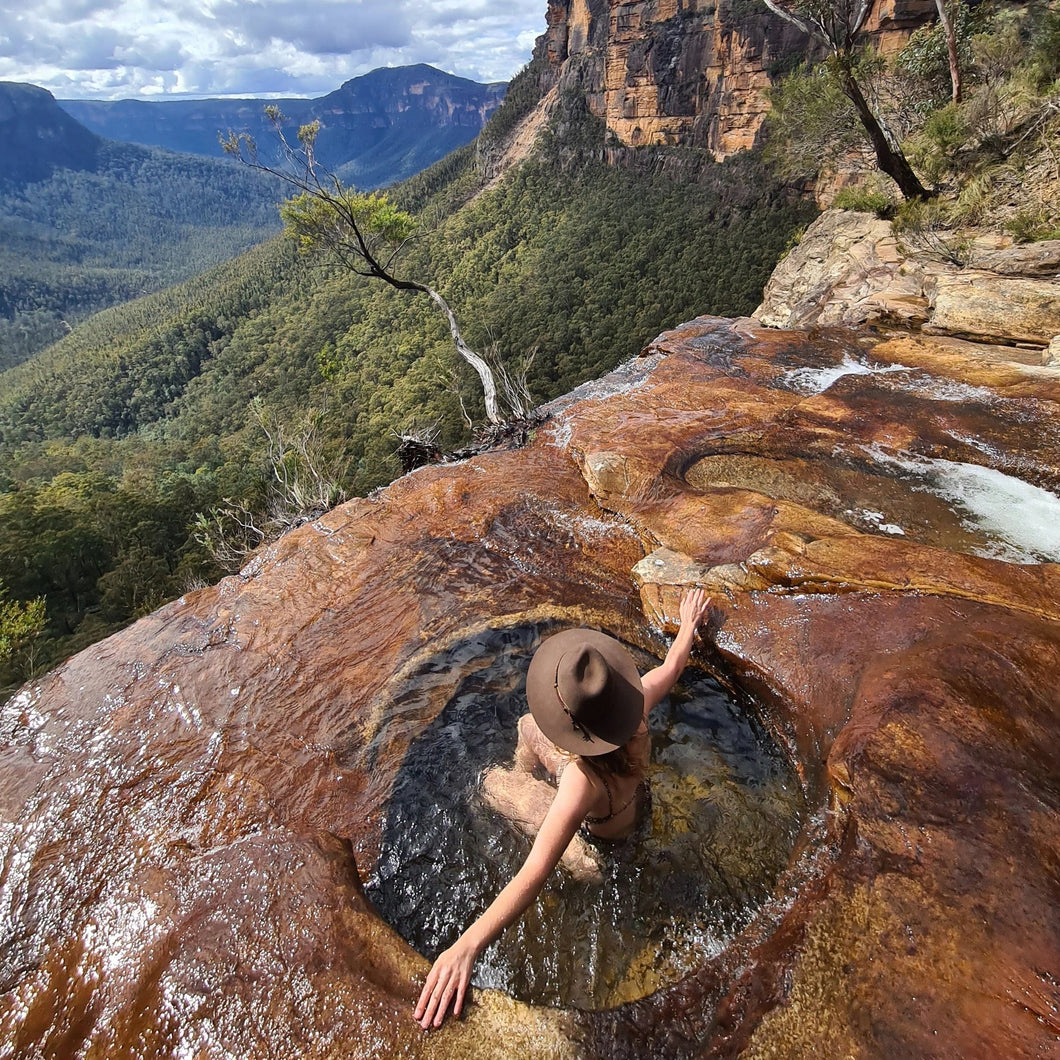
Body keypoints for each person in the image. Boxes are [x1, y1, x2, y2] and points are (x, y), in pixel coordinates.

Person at [413, 588, 711, 1029]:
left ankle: (522, 783)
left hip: (599, 849)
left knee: (492, 784)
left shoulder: (579, 783)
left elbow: (533, 873)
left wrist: (467, 946)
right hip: (630, 804)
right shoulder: (639, 708)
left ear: (577, 734)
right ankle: (525, 771)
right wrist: (687, 625)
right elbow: (672, 666)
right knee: (529, 725)